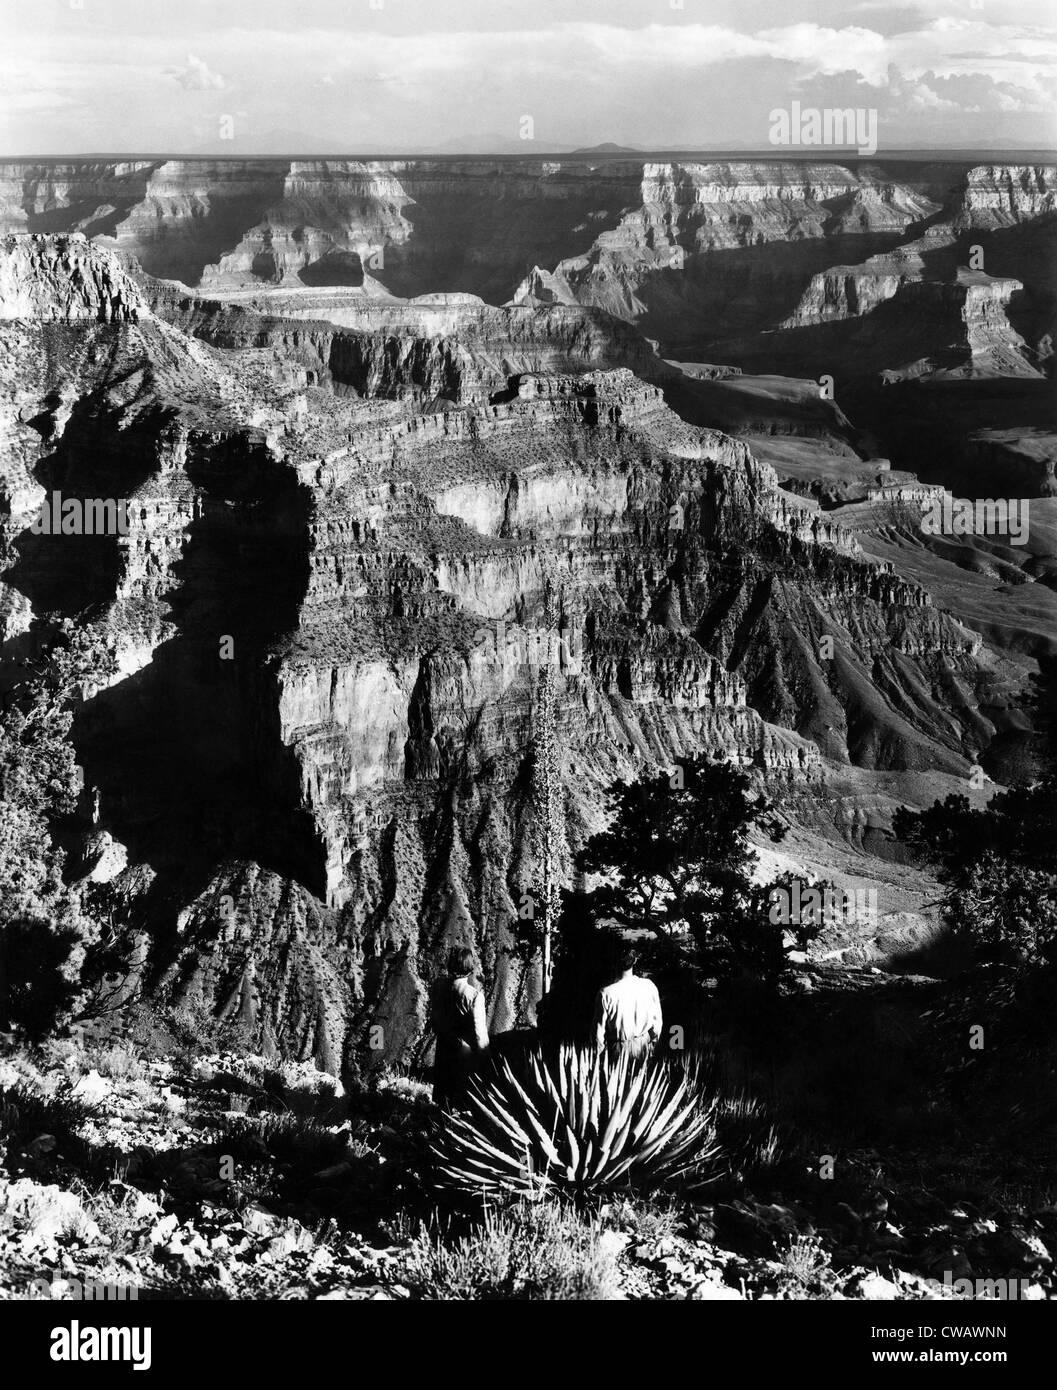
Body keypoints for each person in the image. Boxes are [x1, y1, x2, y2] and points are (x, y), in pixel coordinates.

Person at [431, 945, 490, 1109]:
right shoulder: (474, 996)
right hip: (464, 1057)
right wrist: (486, 1061)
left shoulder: (438, 986)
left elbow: (434, 1019)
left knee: (444, 1104)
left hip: (443, 1051)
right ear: (470, 968)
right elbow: (480, 1035)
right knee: (462, 1105)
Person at [593, 943, 662, 1060]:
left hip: (617, 1049)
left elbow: (598, 1032)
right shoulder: (649, 986)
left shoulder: (605, 993)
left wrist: (598, 1056)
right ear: (634, 961)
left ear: (614, 962)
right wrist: (653, 1044)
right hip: (643, 1046)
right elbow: (657, 1024)